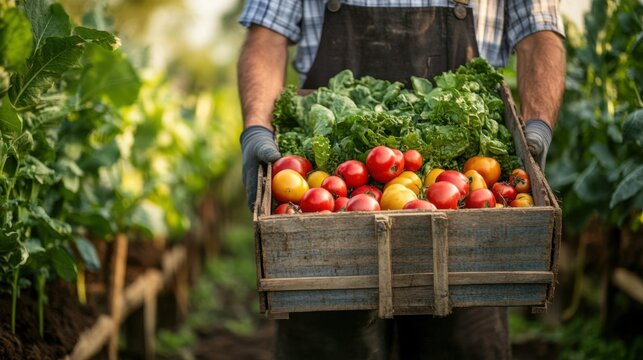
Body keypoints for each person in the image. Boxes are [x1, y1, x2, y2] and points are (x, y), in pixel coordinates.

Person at [238, 1, 565, 359]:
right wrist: (256, 127)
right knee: (329, 346)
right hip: (327, 239)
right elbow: (266, 36)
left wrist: (536, 126)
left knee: (460, 347)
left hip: (468, 236)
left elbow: (540, 35)